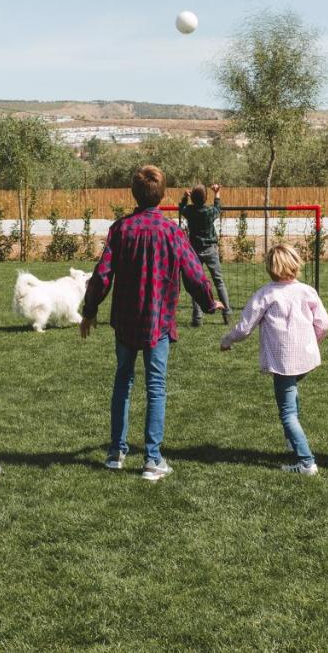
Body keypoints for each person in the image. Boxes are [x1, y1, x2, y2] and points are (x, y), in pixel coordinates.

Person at [80, 165, 223, 481]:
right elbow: (195, 274)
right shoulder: (171, 231)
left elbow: (102, 276)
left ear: (134, 194)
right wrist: (210, 303)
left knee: (123, 380)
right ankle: (152, 459)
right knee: (155, 385)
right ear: (163, 195)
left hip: (126, 321)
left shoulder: (121, 229)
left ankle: (116, 452)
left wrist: (89, 311)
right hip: (158, 320)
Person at [221, 244, 328, 475]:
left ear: (270, 267)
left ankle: (306, 462)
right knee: (292, 392)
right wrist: (313, 342)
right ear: (295, 263)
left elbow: (244, 328)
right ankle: (292, 440)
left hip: (284, 362)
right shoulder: (307, 291)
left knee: (287, 412)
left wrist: (228, 340)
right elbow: (323, 323)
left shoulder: (266, 294)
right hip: (306, 359)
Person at [179, 183, 232, 327]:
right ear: (205, 198)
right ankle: (227, 314)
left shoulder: (189, 211)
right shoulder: (209, 211)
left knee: (196, 284)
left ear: (192, 199)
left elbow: (181, 209)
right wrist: (217, 193)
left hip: (194, 250)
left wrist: (185, 197)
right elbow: (217, 208)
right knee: (219, 281)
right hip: (210, 249)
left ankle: (197, 318)